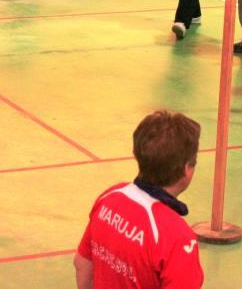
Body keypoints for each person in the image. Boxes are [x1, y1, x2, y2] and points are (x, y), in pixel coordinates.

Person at [74, 110, 204, 288]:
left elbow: (82, 265)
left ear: (137, 154)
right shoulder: (178, 237)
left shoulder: (110, 197)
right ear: (187, 169)